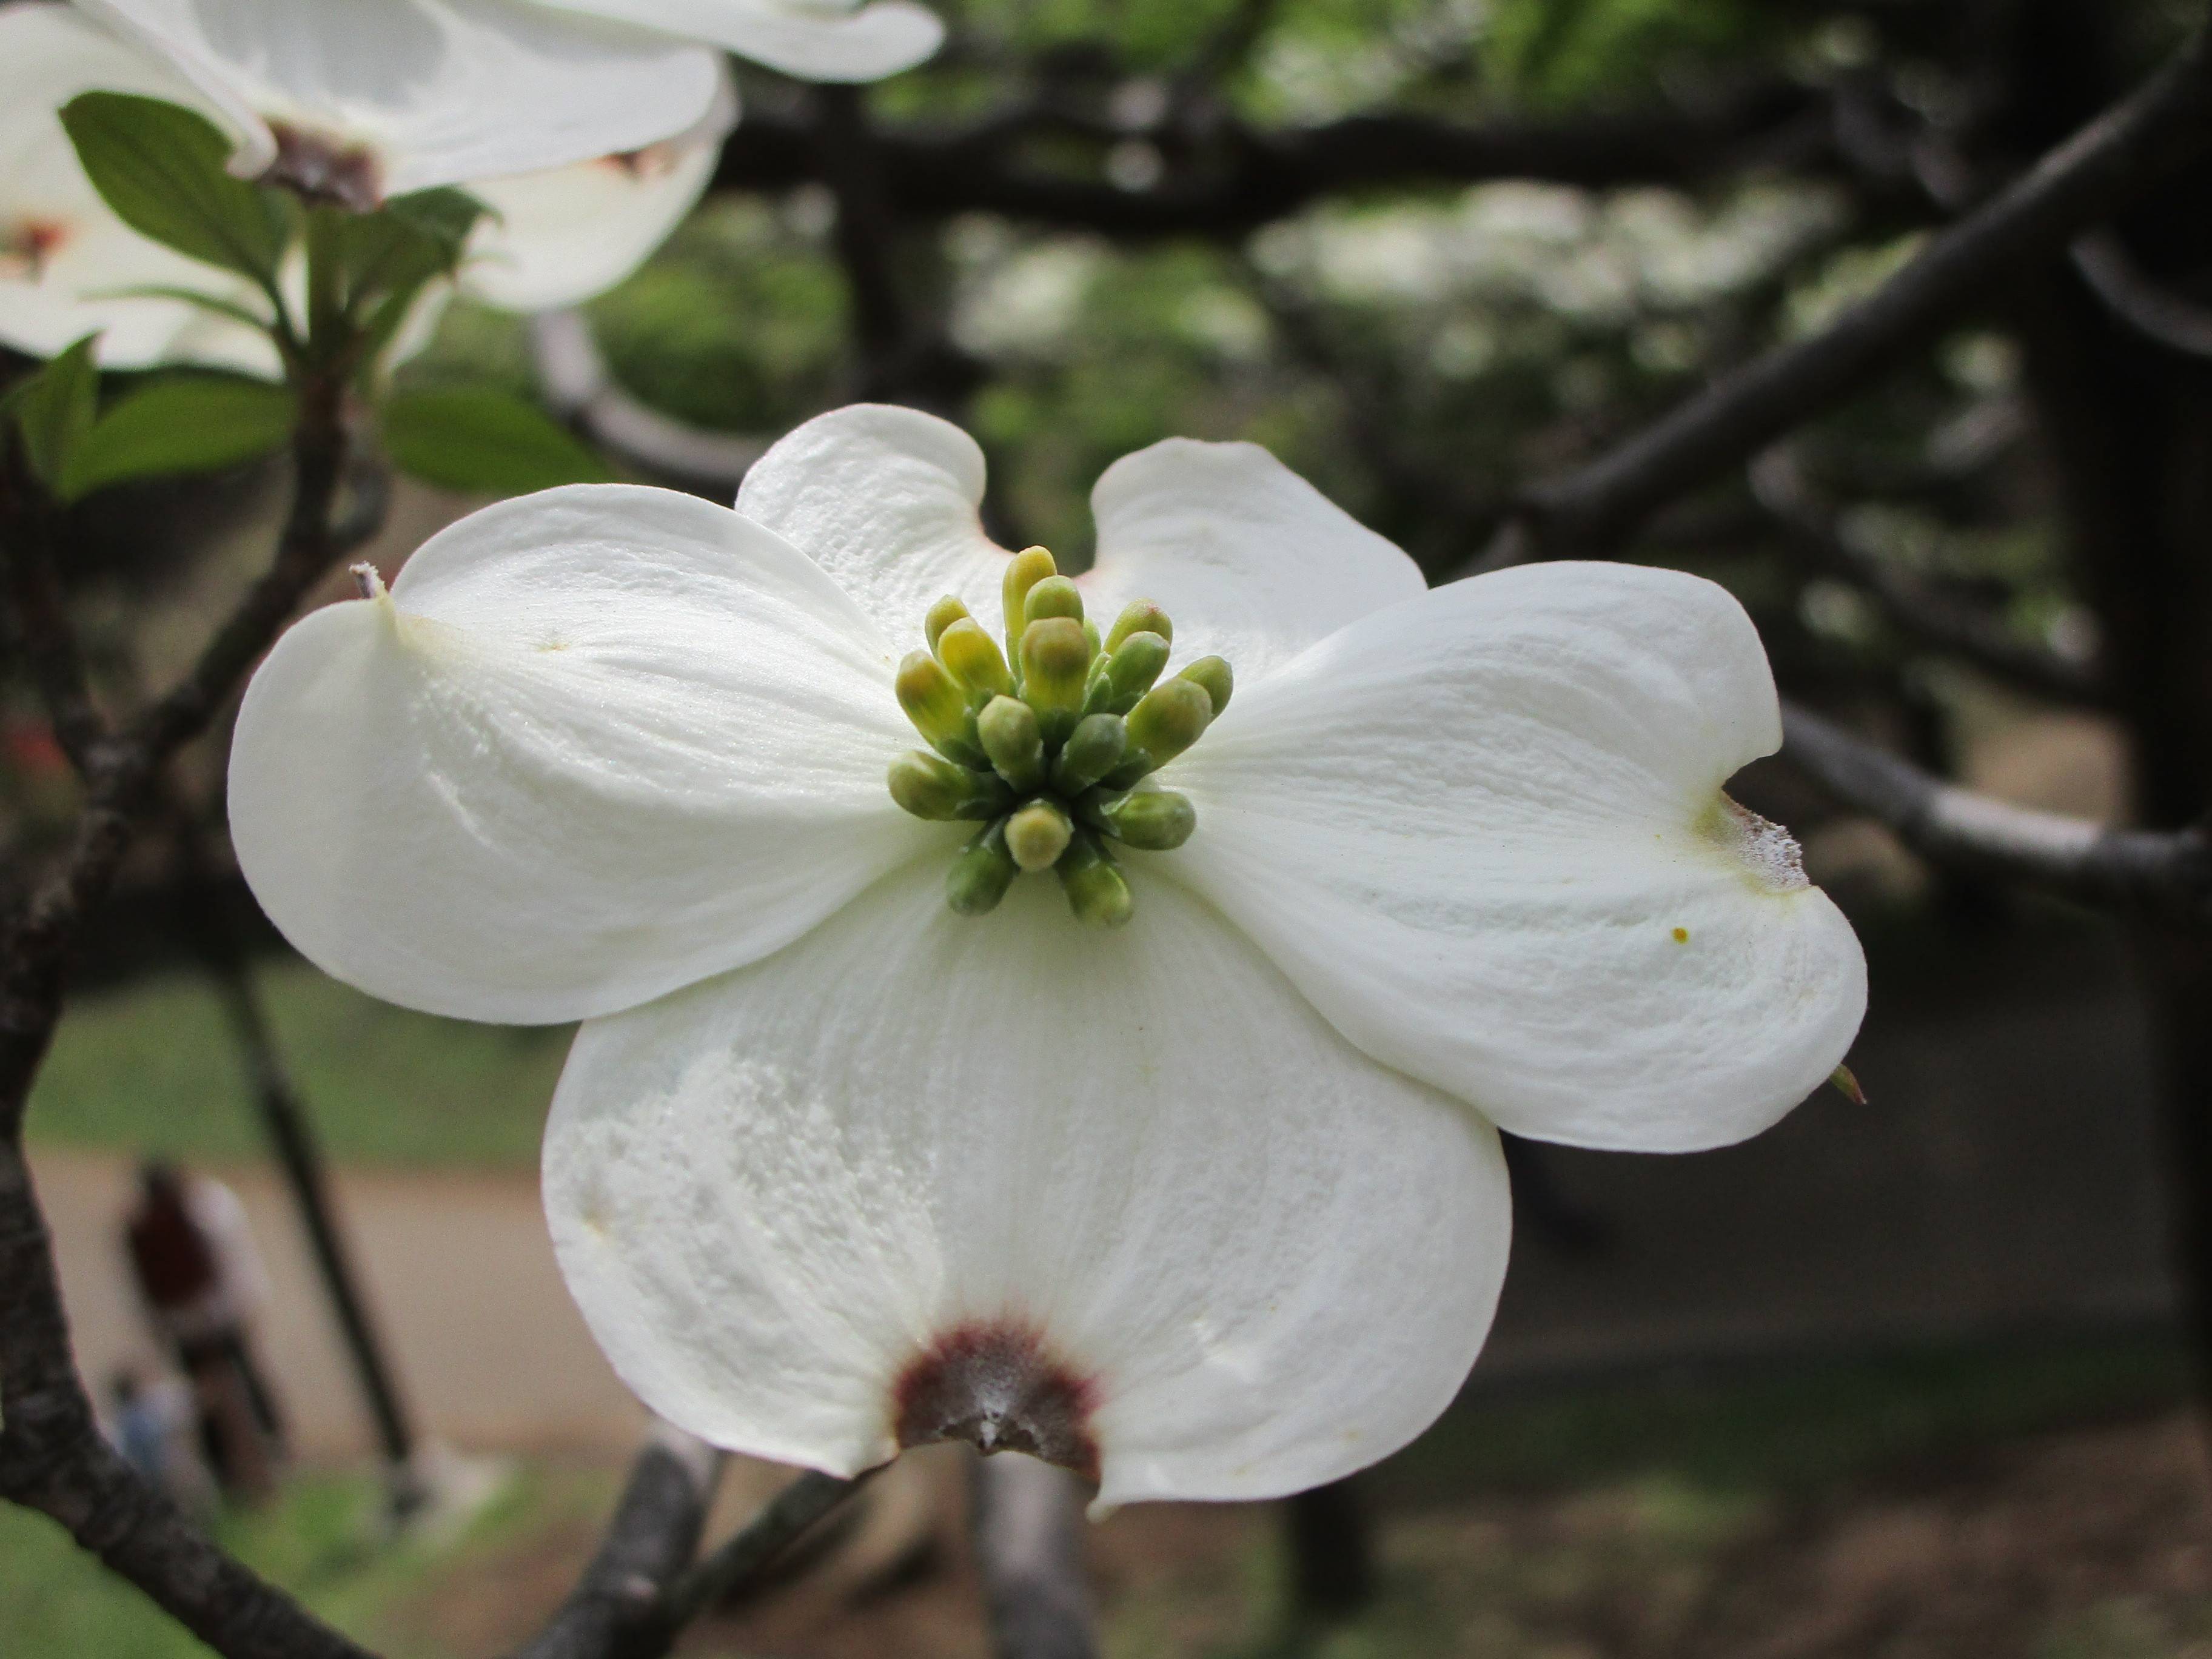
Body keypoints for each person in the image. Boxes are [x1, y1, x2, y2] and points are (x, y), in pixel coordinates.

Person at [122, 1160, 284, 1500]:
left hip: (196, 1323)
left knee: (225, 1391)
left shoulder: (178, 1218)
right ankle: (252, 1461)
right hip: (210, 1321)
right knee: (228, 1392)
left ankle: (247, 1462)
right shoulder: (205, 1211)